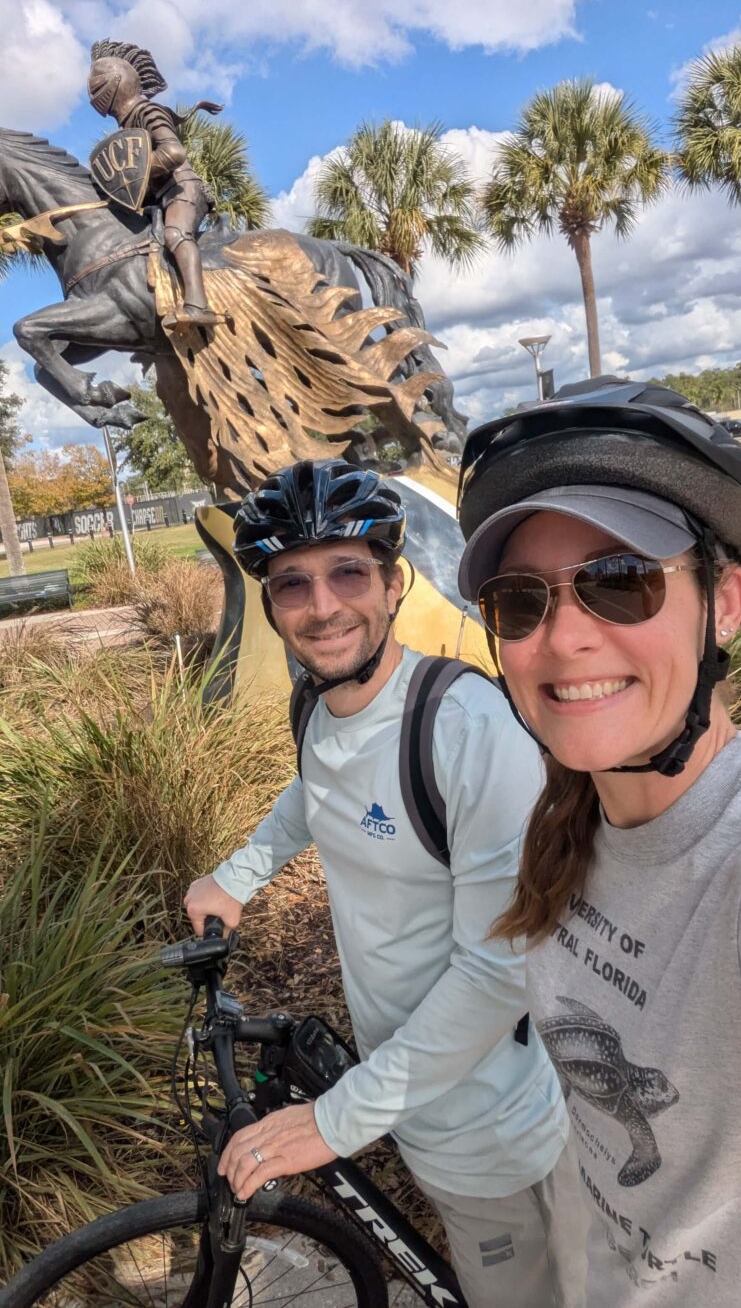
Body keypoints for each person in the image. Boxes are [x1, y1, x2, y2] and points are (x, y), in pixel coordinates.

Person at [185, 457, 585, 1308]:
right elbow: (316, 788)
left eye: (348, 573)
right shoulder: (317, 703)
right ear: (271, 604)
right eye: (292, 584)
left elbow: (499, 971)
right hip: (407, 1093)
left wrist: (333, 1121)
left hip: (488, 1131)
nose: (322, 606)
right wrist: (236, 875)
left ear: (394, 583)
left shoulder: (464, 730)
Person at [456, 376, 741, 1308]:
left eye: (621, 580)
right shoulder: (568, 827)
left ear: (723, 603)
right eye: (520, 600)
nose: (563, 638)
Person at [87, 39, 223, 328]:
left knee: (175, 234)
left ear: (116, 82)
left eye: (98, 86)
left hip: (182, 188)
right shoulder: (128, 125)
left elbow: (174, 153)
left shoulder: (148, 112)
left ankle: (199, 305)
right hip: (158, 201)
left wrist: (139, 172)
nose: (94, 96)